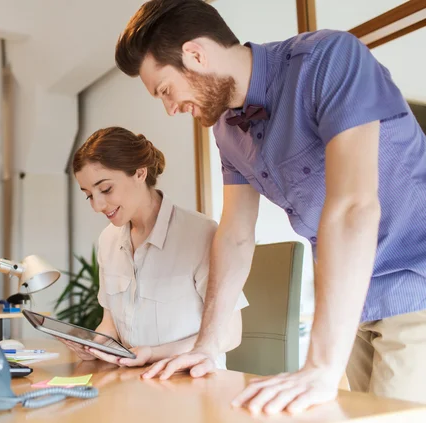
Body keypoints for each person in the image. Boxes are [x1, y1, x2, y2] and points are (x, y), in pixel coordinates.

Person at [113, 0, 426, 415]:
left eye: (166, 90)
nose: (171, 109)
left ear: (196, 55)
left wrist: (319, 365)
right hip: (355, 304)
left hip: (415, 282)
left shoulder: (328, 60)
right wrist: (206, 345)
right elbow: (235, 234)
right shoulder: (227, 130)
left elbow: (353, 206)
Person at [61, 126, 248, 370]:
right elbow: (111, 323)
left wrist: (153, 353)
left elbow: (231, 333)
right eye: (89, 195)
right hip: (131, 381)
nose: (97, 205)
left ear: (139, 173)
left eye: (106, 189)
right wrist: (95, 345)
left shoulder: (200, 234)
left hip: (190, 383)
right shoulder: (108, 240)